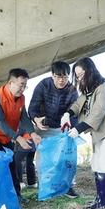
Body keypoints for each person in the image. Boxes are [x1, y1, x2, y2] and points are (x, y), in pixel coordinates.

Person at [61, 57, 105, 209]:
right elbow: (78, 104)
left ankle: (103, 203)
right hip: (99, 133)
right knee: (97, 165)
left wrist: (78, 129)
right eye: (77, 76)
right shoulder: (88, 90)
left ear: (90, 71)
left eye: (81, 74)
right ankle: (100, 200)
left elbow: (97, 114)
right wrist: (67, 114)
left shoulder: (103, 88)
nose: (79, 78)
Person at [0, 68, 41, 200]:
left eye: (25, 85)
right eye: (20, 85)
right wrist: (18, 138)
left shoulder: (21, 98)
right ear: (10, 83)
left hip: (6, 137)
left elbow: (24, 117)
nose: (23, 89)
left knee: (12, 165)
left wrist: (32, 133)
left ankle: (16, 197)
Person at [28, 61, 79, 198]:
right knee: (43, 158)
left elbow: (75, 112)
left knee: (66, 158)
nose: (61, 80)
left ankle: (68, 186)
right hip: (43, 127)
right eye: (58, 76)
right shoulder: (43, 85)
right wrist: (36, 120)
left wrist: (69, 125)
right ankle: (45, 185)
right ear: (52, 75)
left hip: (62, 128)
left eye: (65, 77)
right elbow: (33, 107)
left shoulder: (72, 90)